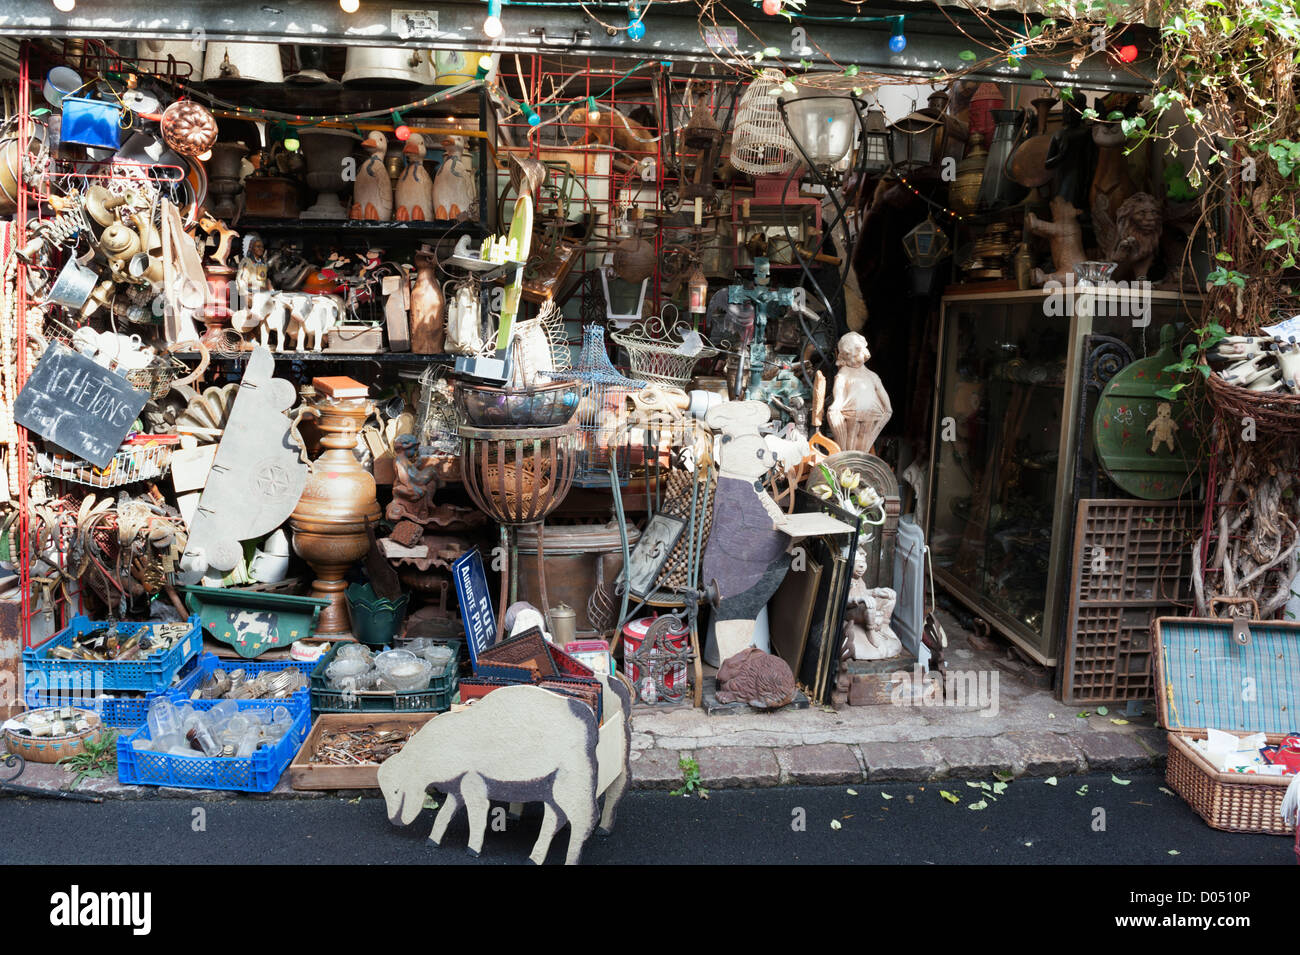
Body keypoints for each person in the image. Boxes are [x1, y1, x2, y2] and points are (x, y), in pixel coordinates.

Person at [826, 331, 892, 453]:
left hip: (872, 412)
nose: (855, 360)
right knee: (850, 438)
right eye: (850, 357)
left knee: (864, 439)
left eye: (857, 355)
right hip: (851, 411)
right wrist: (837, 403)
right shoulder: (845, 372)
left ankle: (859, 460)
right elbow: (839, 389)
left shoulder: (871, 375)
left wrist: (888, 407)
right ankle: (849, 461)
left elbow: (881, 391)